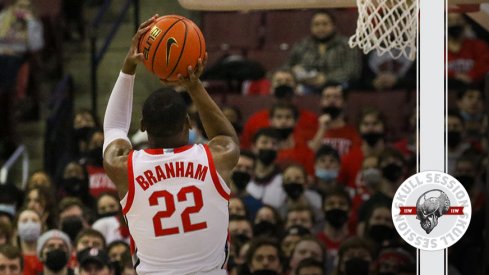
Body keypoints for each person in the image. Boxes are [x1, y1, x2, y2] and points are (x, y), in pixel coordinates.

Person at [102, 15, 239, 274]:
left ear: (143, 126)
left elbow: (114, 128)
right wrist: (194, 85)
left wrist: (128, 66)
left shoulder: (124, 167)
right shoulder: (215, 158)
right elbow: (227, 137)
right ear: (188, 123)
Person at [240, 69, 318, 149]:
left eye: (288, 81)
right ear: (271, 89)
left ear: (296, 88)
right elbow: (246, 147)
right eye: (279, 81)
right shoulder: (255, 120)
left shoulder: (311, 119)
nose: (283, 84)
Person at [286, 11, 361, 93]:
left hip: (337, 86)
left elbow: (353, 71)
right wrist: (294, 71)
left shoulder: (347, 45)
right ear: (311, 27)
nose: (321, 28)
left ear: (334, 25)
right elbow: (288, 66)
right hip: (307, 85)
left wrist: (326, 78)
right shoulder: (302, 45)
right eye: (316, 24)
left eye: (325, 24)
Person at [308, 83, 361, 157]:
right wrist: (322, 129)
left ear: (344, 103)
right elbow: (308, 156)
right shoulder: (311, 129)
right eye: (327, 97)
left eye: (336, 97)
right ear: (321, 102)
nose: (331, 100)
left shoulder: (353, 132)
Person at [447, 13, 489, 88]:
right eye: (450, 20)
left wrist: (470, 75)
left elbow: (485, 67)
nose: (454, 23)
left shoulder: (479, 46)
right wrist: (455, 75)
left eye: (458, 20)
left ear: (466, 24)